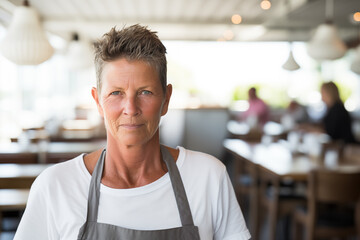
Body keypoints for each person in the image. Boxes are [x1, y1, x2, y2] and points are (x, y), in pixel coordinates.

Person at [14, 25, 250, 240]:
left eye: (145, 92)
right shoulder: (56, 186)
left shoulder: (208, 177)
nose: (130, 109)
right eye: (116, 93)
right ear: (98, 101)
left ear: (166, 99)